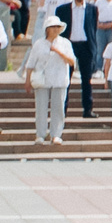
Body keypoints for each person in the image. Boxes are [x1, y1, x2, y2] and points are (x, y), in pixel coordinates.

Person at [23, 13, 74, 144]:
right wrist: (27, 80)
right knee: (41, 108)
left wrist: (58, 51)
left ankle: (56, 134)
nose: (56, 29)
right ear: (47, 29)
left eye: (58, 27)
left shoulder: (65, 43)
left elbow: (72, 61)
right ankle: (40, 134)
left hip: (59, 79)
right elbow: (31, 63)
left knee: (58, 108)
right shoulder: (39, 44)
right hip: (42, 79)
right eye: (53, 27)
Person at [56, 0, 103, 118]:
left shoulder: (92, 9)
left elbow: (93, 28)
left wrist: (92, 47)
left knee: (86, 79)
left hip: (85, 45)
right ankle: (62, 109)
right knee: (65, 78)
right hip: (68, 45)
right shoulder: (62, 9)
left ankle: (87, 109)